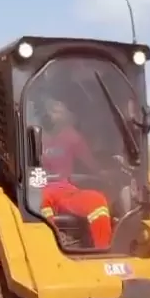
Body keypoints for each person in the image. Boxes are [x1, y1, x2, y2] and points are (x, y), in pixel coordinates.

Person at [39, 98, 112, 249]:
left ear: (67, 115)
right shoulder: (36, 136)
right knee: (39, 201)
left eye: (57, 111)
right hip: (38, 189)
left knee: (97, 200)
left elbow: (90, 163)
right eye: (50, 110)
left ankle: (102, 250)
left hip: (65, 191)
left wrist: (104, 172)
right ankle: (54, 244)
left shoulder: (73, 137)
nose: (52, 114)